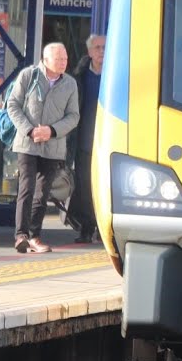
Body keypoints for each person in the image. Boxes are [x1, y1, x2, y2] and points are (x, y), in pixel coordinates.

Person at [6, 42, 79, 253]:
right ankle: (21, 235)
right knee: (26, 188)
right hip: (28, 144)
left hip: (53, 146)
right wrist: (30, 130)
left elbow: (73, 116)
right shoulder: (28, 76)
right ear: (45, 60)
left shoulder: (70, 84)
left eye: (65, 59)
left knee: (43, 192)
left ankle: (35, 236)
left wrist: (52, 131)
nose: (63, 63)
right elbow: (13, 104)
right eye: (58, 59)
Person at [68, 35, 104, 242]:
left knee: (105, 186)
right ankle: (86, 227)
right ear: (89, 52)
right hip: (85, 142)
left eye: (105, 47)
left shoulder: (116, 76)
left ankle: (102, 227)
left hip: (109, 143)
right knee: (85, 186)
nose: (102, 51)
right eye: (97, 47)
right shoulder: (78, 77)